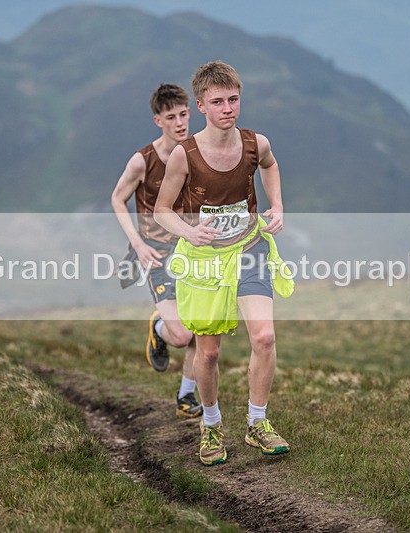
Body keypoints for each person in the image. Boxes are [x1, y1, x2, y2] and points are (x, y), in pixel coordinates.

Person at [154, 61, 294, 465]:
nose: (228, 108)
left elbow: (270, 166)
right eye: (217, 102)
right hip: (204, 260)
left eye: (233, 99)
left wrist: (278, 205)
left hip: (250, 247)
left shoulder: (255, 143)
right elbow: (163, 209)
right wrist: (188, 232)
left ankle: (257, 424)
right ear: (201, 105)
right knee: (209, 353)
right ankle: (211, 425)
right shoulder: (185, 155)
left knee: (264, 337)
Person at [110, 83, 202, 419]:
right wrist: (137, 243)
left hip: (193, 253)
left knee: (202, 331)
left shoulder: (198, 153)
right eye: (170, 117)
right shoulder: (142, 161)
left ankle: (186, 397)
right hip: (156, 254)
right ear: (157, 120)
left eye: (183, 115)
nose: (179, 123)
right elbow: (117, 199)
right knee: (181, 335)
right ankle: (159, 328)